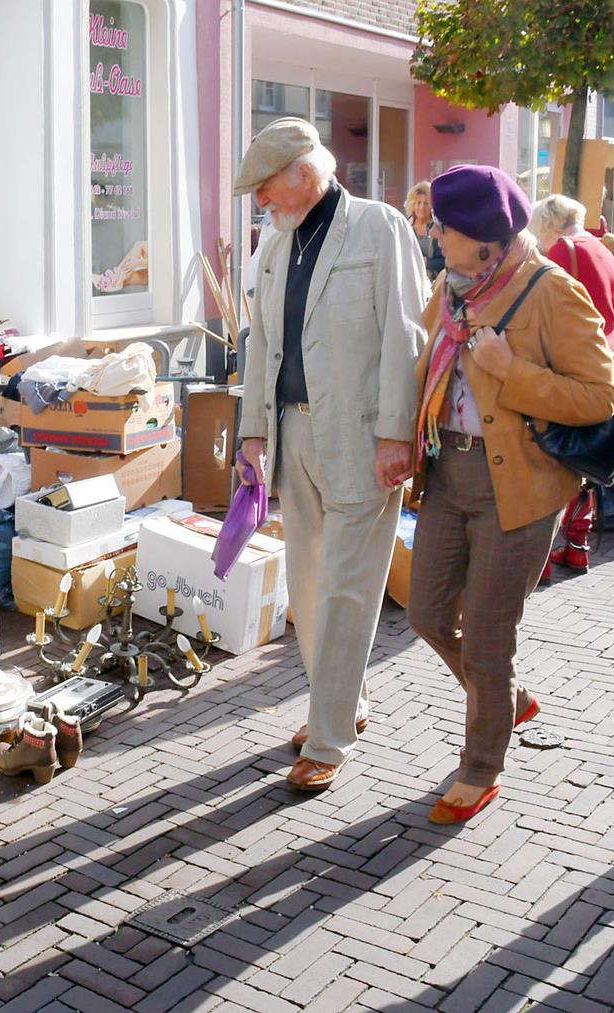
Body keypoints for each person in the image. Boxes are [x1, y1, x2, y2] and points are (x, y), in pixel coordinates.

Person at [408, 166, 614, 824]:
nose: (435, 233)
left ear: (484, 239)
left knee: (489, 638)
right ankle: (506, 694)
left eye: (445, 226)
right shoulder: (449, 287)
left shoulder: (551, 292)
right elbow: (423, 368)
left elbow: (600, 396)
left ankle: (480, 765)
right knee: (425, 614)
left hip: (520, 487)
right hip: (448, 474)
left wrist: (511, 370)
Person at [235, 118, 427, 791]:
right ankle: (344, 700)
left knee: (347, 588)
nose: (261, 200)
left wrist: (398, 435)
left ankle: (329, 734)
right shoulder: (275, 244)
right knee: (311, 586)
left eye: (265, 185)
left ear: (302, 171)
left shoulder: (379, 229)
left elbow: (407, 336)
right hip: (294, 436)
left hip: (363, 437)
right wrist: (252, 432)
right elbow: (259, 344)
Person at [529, 194, 614, 582]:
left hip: (572, 365)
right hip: (606, 364)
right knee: (584, 460)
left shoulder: (565, 251)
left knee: (557, 457)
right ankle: (577, 545)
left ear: (549, 224)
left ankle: (549, 552)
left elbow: (549, 308)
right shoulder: (602, 249)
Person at [406, 180, 446, 280]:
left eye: (426, 203)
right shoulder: (406, 225)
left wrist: (427, 263)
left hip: (435, 283)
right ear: (412, 204)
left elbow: (448, 260)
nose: (422, 207)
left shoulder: (439, 227)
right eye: (418, 203)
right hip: (410, 281)